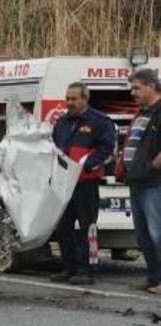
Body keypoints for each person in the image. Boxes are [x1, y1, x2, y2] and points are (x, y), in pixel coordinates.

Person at [50, 82, 116, 286]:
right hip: (64, 185)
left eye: (74, 99)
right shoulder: (61, 122)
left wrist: (88, 165)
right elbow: (54, 148)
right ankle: (69, 267)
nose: (69, 102)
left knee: (88, 228)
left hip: (86, 183)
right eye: (67, 98)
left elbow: (106, 150)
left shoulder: (100, 121)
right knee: (63, 228)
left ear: (84, 99)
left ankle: (87, 269)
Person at [120, 69, 161, 294]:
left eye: (136, 88)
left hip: (155, 183)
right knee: (143, 235)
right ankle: (153, 278)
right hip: (137, 182)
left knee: (158, 233)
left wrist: (150, 168)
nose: (132, 93)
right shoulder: (142, 113)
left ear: (152, 86)